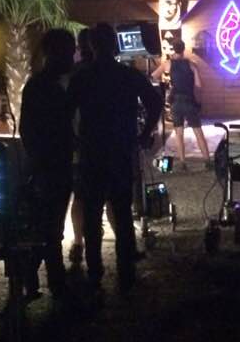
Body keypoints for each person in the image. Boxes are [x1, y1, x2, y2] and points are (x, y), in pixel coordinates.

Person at [67, 23, 163, 291]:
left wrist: (74, 138)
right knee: (122, 212)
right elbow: (155, 102)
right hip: (121, 149)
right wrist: (144, 133)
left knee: (92, 213)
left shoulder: (83, 77)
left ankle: (95, 272)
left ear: (92, 45)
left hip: (92, 151)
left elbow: (65, 111)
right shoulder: (127, 75)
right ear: (115, 44)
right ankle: (126, 271)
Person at [19, 28, 77, 298]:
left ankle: (36, 277)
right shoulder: (47, 86)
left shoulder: (40, 84)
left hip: (50, 162)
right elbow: (32, 129)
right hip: (51, 164)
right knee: (51, 227)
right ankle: (54, 281)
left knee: (49, 225)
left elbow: (27, 129)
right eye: (69, 52)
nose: (72, 57)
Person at [152, 39, 211, 171]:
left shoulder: (168, 64)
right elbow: (199, 85)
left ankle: (183, 162)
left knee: (179, 134)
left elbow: (154, 76)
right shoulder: (192, 64)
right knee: (198, 132)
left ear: (173, 49)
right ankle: (207, 161)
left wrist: (167, 84)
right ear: (184, 49)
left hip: (176, 102)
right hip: (189, 100)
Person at [67, 27, 93, 266]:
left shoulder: (72, 74)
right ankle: (123, 245)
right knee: (111, 197)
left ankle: (78, 243)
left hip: (78, 147)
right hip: (93, 146)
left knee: (80, 197)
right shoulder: (101, 73)